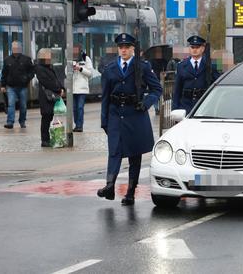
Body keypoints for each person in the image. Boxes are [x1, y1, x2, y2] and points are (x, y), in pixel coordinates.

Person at [97, 33, 163, 206]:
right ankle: (109, 185)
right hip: (115, 114)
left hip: (135, 113)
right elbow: (105, 97)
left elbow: (157, 89)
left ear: (133, 48)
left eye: (127, 47)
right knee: (114, 151)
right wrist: (104, 120)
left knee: (135, 155)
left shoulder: (142, 67)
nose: (124, 50)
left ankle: (130, 192)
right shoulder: (110, 69)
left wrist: (146, 103)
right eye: (121, 47)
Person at [172, 35, 220, 114]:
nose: (194, 50)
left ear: (203, 49)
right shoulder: (181, 66)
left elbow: (217, 84)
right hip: (185, 106)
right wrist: (175, 110)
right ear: (189, 49)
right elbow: (177, 90)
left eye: (197, 47)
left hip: (204, 106)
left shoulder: (210, 65)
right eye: (192, 47)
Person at [0, 41, 35, 129]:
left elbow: (32, 71)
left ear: (20, 48)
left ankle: (22, 121)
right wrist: (3, 86)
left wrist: (27, 78)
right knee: (11, 104)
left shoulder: (26, 59)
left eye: (16, 47)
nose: (15, 49)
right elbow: (4, 73)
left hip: (23, 87)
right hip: (11, 87)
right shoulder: (7, 60)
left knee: (23, 106)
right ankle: (10, 122)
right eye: (13, 47)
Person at [35, 49, 64, 147]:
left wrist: (61, 88)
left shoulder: (50, 67)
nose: (49, 58)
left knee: (50, 116)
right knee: (46, 117)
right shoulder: (39, 68)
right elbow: (46, 82)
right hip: (45, 97)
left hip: (52, 96)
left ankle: (49, 138)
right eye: (47, 56)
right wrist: (58, 89)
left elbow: (56, 79)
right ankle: (45, 140)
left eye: (50, 56)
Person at [72, 49, 93, 132]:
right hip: (73, 89)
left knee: (80, 107)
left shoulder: (86, 59)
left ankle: (79, 126)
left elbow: (90, 74)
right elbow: (66, 72)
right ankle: (77, 124)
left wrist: (80, 68)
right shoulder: (70, 59)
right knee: (74, 108)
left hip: (82, 88)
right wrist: (71, 69)